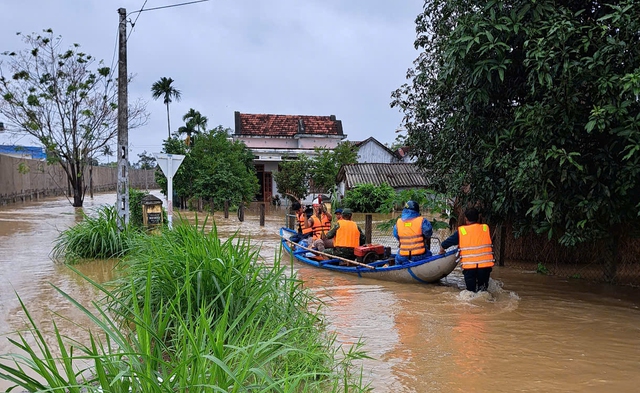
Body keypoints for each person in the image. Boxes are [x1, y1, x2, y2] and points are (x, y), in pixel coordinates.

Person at [439, 207, 494, 292]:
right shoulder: (485, 228)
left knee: (470, 292)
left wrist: (442, 249)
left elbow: (447, 243)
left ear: (465, 218)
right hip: (485, 266)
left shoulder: (462, 231)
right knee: (483, 291)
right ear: (478, 218)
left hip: (470, 267)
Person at [393, 200, 433, 264]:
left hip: (403, 256)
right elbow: (428, 233)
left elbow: (396, 235)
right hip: (419, 256)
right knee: (429, 254)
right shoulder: (422, 221)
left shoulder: (398, 222)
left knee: (397, 258)